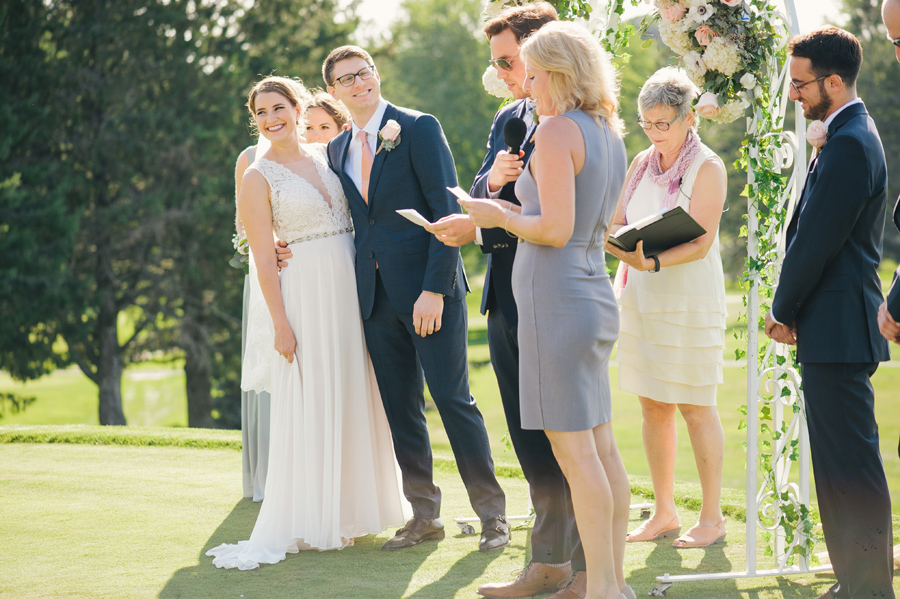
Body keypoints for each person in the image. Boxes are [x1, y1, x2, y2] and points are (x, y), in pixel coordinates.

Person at [207, 76, 410, 570]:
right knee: (313, 395)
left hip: (350, 290)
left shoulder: (330, 156)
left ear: (299, 108)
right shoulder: (258, 176)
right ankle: (311, 517)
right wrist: (280, 323)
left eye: (279, 107)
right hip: (303, 296)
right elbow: (261, 256)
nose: (271, 118)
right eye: (261, 113)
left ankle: (358, 509)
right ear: (254, 121)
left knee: (354, 390)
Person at [460, 21, 632, 599]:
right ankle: (612, 583)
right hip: (590, 292)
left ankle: (603, 588)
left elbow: (554, 228)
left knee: (576, 453)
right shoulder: (608, 128)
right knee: (601, 448)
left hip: (556, 300)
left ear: (557, 72)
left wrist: (496, 214)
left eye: (532, 74)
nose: (525, 85)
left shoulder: (558, 131)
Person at [426, 4, 587, 597]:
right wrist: (491, 184)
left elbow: (557, 217)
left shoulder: (571, 120)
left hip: (553, 288)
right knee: (527, 432)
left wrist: (489, 219)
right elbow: (478, 194)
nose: (503, 73)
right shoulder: (509, 117)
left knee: (566, 434)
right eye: (497, 63)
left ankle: (587, 564)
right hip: (505, 290)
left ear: (541, 52)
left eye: (508, 62)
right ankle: (547, 559)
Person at [322, 45, 509, 552]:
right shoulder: (337, 149)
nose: (358, 83)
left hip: (430, 291)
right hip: (374, 298)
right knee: (401, 408)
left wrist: (434, 289)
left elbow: (446, 210)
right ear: (335, 91)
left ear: (376, 75)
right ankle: (423, 514)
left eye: (364, 73)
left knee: (452, 400)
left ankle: (492, 514)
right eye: (346, 79)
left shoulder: (418, 126)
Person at [763, 27, 895, 599]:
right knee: (839, 466)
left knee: (852, 467)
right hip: (834, 325)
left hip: (840, 325)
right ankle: (855, 580)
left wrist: (781, 308)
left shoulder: (848, 144)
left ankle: (868, 585)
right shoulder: (844, 134)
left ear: (833, 82)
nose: (794, 93)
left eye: (800, 83)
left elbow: (815, 241)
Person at [604, 67, 728, 550]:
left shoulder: (709, 166)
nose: (655, 133)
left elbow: (701, 242)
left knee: (697, 407)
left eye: (663, 124)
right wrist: (622, 248)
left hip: (689, 301)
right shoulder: (639, 162)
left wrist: (651, 260)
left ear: (689, 118)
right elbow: (616, 219)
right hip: (642, 298)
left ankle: (712, 517)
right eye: (647, 123)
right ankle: (664, 511)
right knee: (653, 406)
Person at [234, 139, 271, 503]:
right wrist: (264, 245)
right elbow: (242, 231)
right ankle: (270, 470)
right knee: (269, 367)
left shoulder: (321, 152)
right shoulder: (247, 159)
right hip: (265, 278)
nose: (272, 117)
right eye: (262, 111)